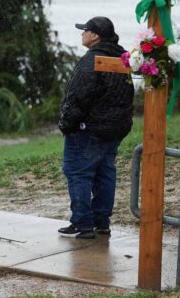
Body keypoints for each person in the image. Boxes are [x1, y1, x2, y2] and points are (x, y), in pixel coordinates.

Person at [57, 16, 134, 239]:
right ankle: (101, 222)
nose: (82, 34)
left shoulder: (91, 60)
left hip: (88, 129)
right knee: (105, 174)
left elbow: (78, 96)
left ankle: (82, 223)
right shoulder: (123, 58)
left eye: (85, 30)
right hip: (115, 129)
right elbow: (128, 94)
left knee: (78, 172)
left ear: (95, 36)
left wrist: (66, 124)